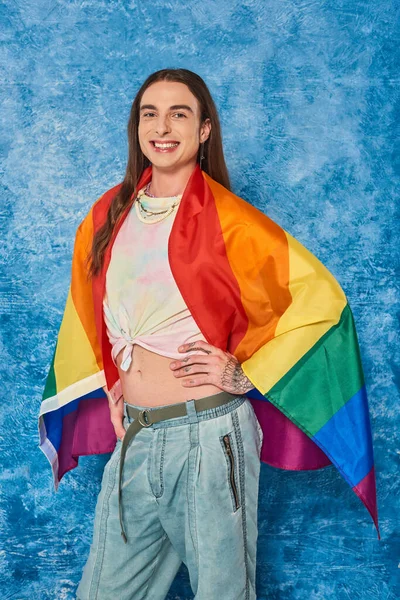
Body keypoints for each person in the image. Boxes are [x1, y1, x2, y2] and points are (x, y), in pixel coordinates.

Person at [38, 68, 379, 600]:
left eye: (180, 113)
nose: (162, 126)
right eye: (149, 113)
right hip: (138, 437)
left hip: (208, 435)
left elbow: (321, 305)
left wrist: (244, 373)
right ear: (136, 128)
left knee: (223, 593)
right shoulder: (109, 214)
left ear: (204, 130)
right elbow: (97, 310)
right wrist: (116, 376)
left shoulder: (232, 221)